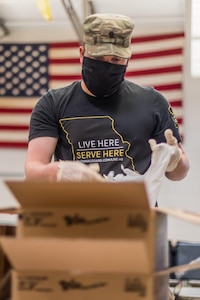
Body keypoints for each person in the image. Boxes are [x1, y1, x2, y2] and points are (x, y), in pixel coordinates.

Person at [25, 13, 189, 184]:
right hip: (75, 208)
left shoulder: (153, 102)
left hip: (136, 209)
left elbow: (178, 174)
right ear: (82, 53)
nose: (106, 65)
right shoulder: (52, 103)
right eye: (97, 58)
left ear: (127, 60)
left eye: (116, 59)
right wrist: (55, 172)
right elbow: (33, 169)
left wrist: (174, 162)